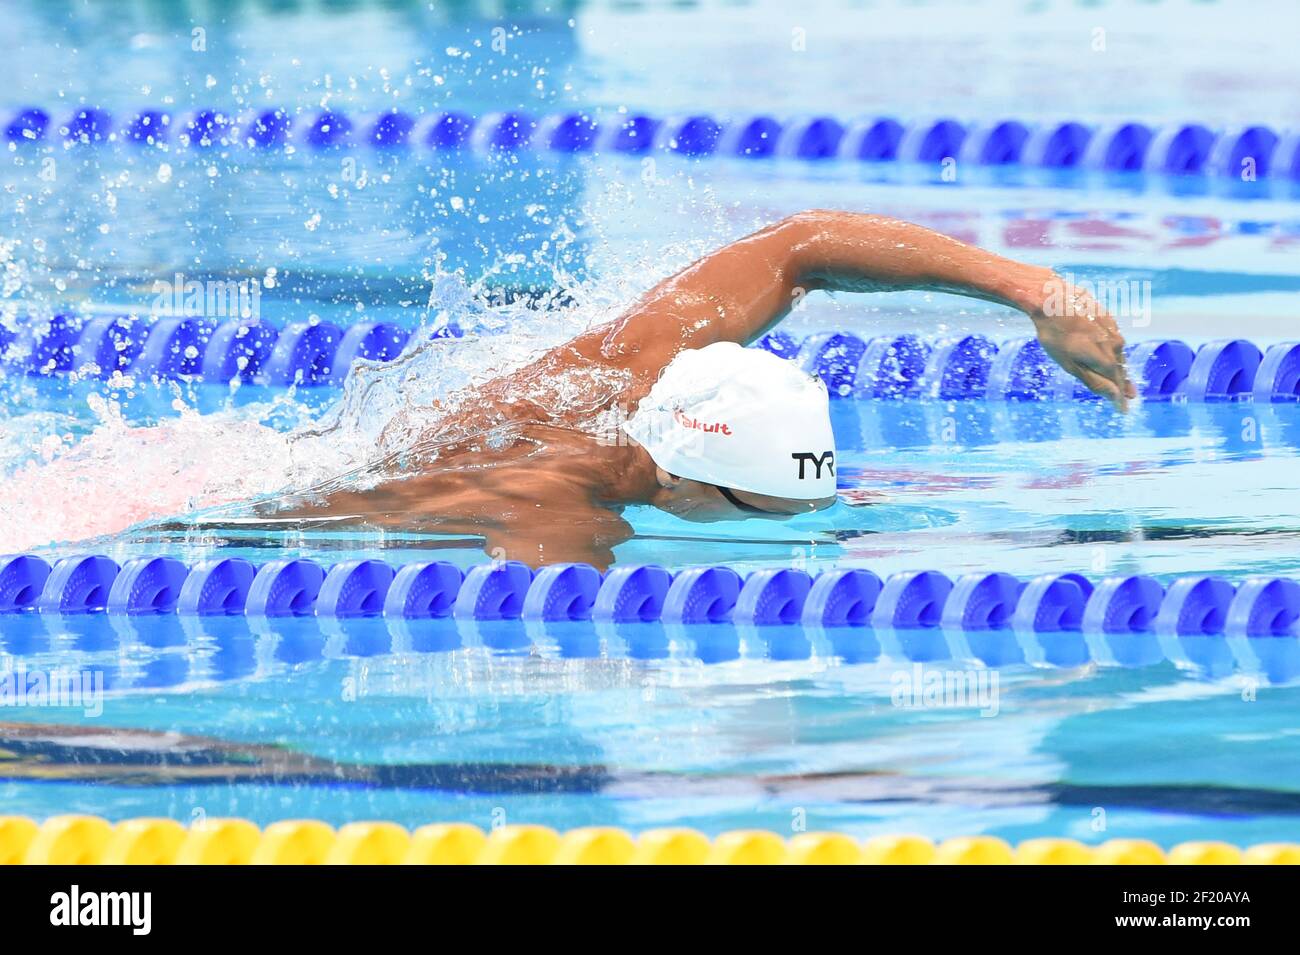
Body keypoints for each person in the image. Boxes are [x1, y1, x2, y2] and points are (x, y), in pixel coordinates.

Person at [276, 210, 1134, 567]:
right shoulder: (563, 509)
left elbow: (804, 245)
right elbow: (546, 645)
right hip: (223, 523)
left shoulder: (631, 371)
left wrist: (1036, 292)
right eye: (765, 511)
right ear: (687, 483)